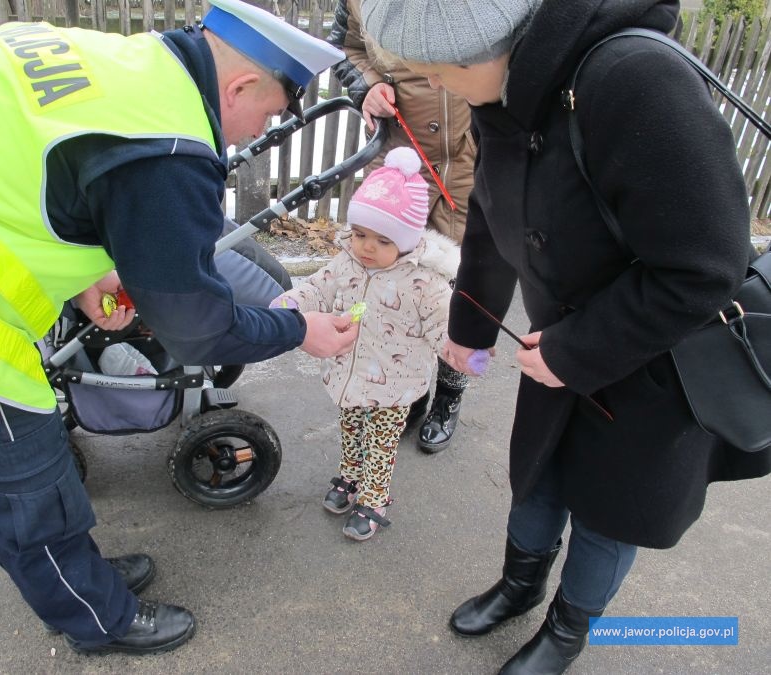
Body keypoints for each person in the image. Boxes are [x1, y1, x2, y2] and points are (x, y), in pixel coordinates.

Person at [0, 0, 357, 657]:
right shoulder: (166, 148)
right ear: (240, 86)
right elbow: (197, 330)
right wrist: (298, 330)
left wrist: (80, 274)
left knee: (30, 471)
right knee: (24, 478)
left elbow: (18, 172)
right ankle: (94, 618)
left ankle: (77, 574)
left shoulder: (120, 65)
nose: (252, 133)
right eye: (269, 114)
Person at [361, 0, 771, 673]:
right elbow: (494, 216)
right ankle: (520, 586)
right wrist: (469, 327)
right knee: (539, 477)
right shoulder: (510, 88)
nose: (434, 88)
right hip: (556, 345)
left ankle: (569, 628)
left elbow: (704, 268)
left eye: (432, 72)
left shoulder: (636, 82)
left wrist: (576, 351)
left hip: (655, 361)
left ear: (482, 48)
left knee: (611, 511)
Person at [270, 147, 460, 541]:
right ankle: (350, 478)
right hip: (348, 373)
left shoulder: (425, 283)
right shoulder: (347, 263)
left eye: (382, 240)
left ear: (406, 242)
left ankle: (375, 498)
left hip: (394, 385)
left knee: (381, 443)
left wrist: (462, 350)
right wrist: (290, 304)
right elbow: (318, 287)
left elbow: (444, 327)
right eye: (359, 235)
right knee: (351, 429)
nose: (366, 247)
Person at [327, 0, 477, 454]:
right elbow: (343, 47)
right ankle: (409, 392)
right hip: (400, 166)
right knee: (393, 286)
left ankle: (449, 396)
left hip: (468, 169)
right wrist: (367, 86)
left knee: (458, 293)